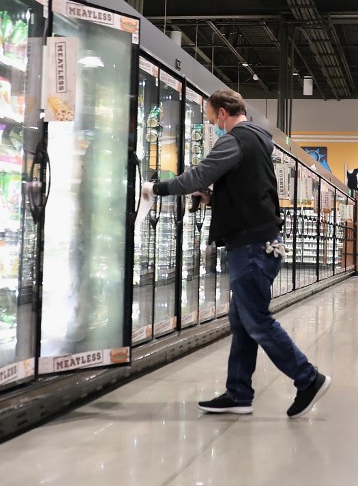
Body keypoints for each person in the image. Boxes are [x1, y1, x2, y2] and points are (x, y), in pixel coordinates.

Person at [141, 89, 330, 418]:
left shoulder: (235, 139)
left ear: (223, 114)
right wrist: (215, 199)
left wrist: (156, 188)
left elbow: (201, 174)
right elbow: (249, 193)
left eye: (213, 117)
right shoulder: (258, 140)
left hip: (252, 245)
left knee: (256, 320)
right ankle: (239, 392)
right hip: (264, 241)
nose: (214, 123)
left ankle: (308, 378)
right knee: (242, 321)